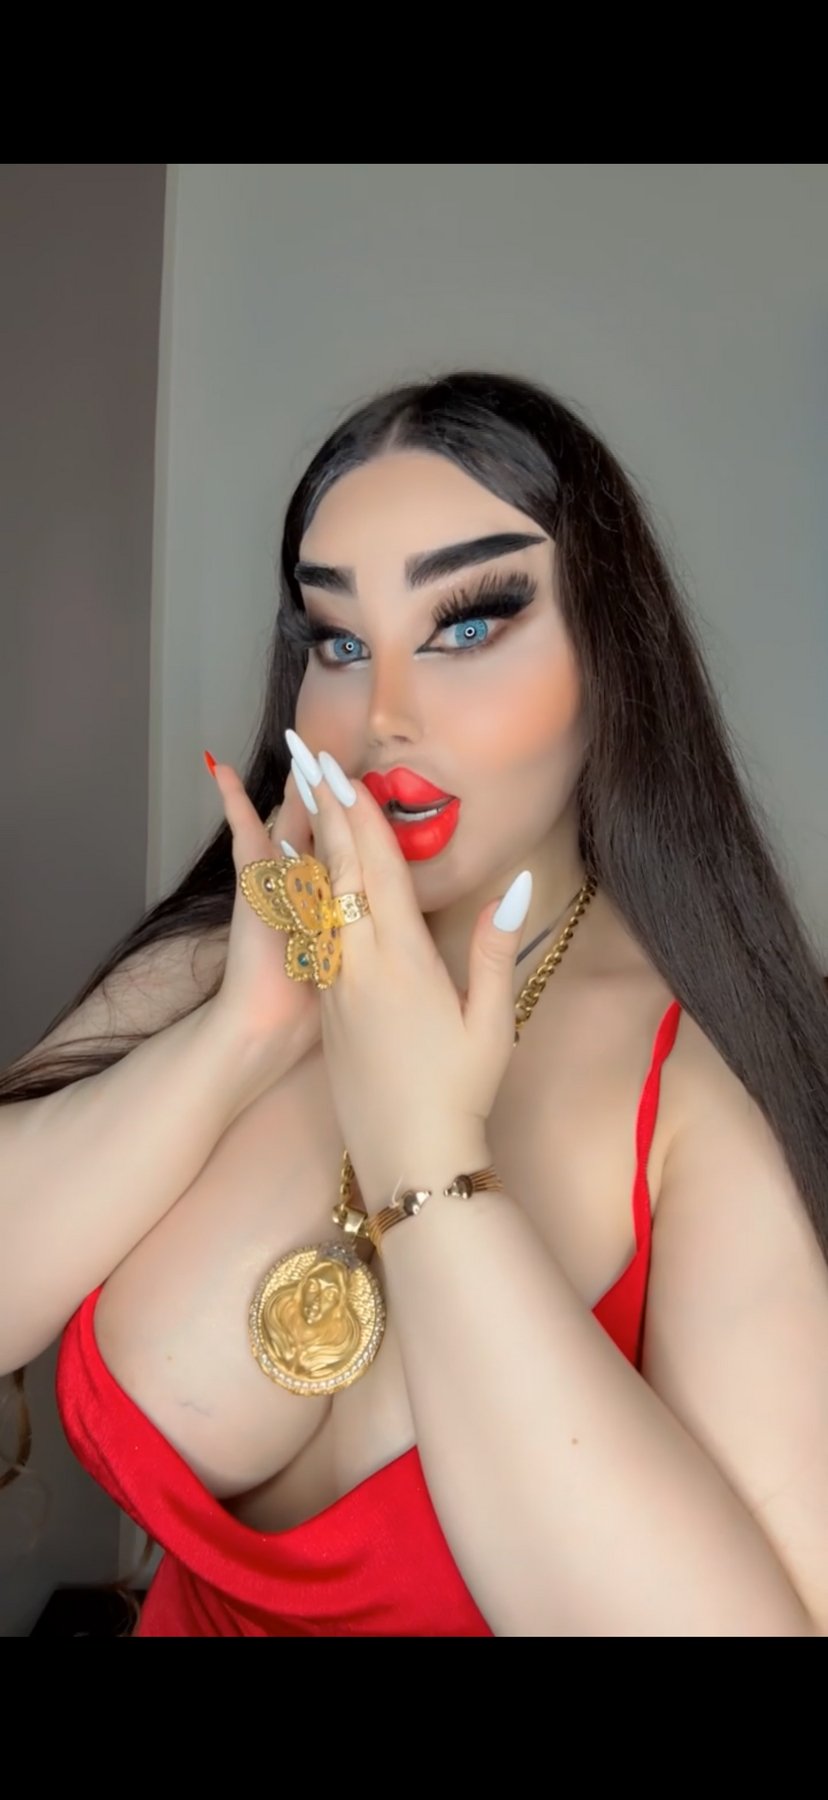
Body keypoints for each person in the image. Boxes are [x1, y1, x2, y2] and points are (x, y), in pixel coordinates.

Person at [2, 369, 827, 1638]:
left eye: (468, 625)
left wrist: (426, 1158)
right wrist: (239, 1038)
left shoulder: (706, 1086)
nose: (381, 714)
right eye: (339, 642)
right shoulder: (234, 952)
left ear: (612, 654)